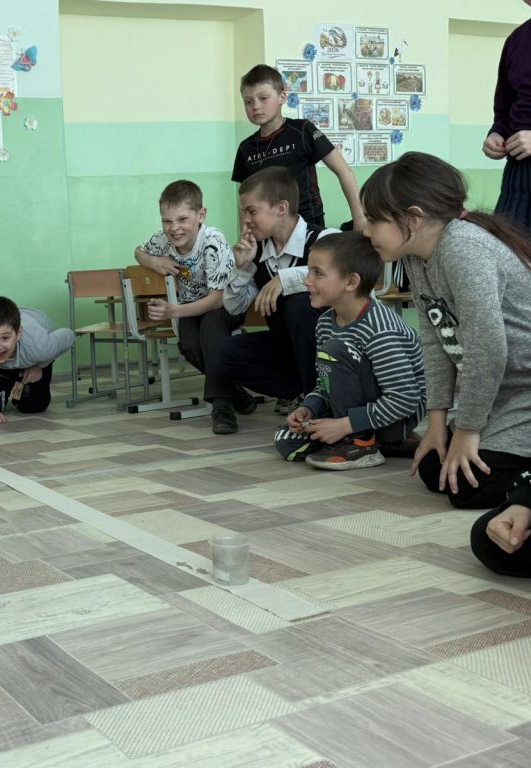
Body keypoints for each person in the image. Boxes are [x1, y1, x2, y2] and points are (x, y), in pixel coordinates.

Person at [359, 152, 531, 561]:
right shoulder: (417, 257)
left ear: (413, 218)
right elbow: (436, 342)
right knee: (437, 467)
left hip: (523, 391)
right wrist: (437, 426)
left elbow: (489, 349)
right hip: (498, 392)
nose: (366, 230)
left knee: (466, 484)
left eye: (374, 219)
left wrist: (467, 430)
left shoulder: (463, 249)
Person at [273, 231, 426, 470]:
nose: (307, 281)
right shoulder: (325, 323)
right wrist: (309, 407)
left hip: (397, 418)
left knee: (335, 348)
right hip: (356, 411)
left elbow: (404, 399)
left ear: (351, 282)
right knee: (287, 441)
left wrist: (344, 425)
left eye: (318, 273)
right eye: (309, 271)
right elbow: (326, 383)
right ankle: (382, 443)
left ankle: (362, 444)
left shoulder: (379, 329)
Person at [215, 166, 338, 415]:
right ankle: (302, 393)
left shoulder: (325, 238)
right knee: (222, 353)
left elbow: (339, 273)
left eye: (252, 211)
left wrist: (285, 279)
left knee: (299, 304)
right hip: (288, 348)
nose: (246, 220)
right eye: (243, 213)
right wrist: (243, 266)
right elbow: (234, 307)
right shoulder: (258, 251)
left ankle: (322, 400)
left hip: (332, 349)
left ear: (281, 208)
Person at [135, 180, 254, 434]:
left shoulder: (213, 241)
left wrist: (173, 311)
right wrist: (155, 262)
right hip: (191, 307)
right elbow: (139, 252)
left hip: (225, 306)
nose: (174, 228)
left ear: (201, 215)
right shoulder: (164, 240)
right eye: (167, 221)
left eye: (182, 219)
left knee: (210, 333)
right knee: (188, 344)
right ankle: (235, 392)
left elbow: (217, 299)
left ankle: (221, 408)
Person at [233, 64, 365, 230]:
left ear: (282, 97)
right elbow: (244, 198)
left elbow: (344, 172)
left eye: (263, 98)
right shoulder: (246, 148)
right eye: (248, 101)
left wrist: (360, 218)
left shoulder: (303, 130)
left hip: (307, 224)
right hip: (265, 229)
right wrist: (245, 233)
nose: (256, 106)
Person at [0, 296, 74, 425]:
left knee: (33, 404)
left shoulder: (38, 345)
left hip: (33, 360)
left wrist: (40, 365)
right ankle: (6, 385)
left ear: (18, 334)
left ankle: (19, 386)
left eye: (5, 338)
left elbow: (69, 336)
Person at [483, 5, 531, 231]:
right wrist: (497, 133)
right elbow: (503, 109)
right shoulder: (516, 40)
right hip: (518, 177)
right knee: (506, 247)